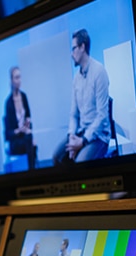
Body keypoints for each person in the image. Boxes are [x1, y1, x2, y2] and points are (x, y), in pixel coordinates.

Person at [52, 29, 111, 166]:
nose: (71, 54)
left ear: (82, 47)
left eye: (73, 49)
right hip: (80, 133)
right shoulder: (76, 79)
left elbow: (102, 116)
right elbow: (73, 115)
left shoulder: (99, 72)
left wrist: (82, 141)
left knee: (80, 164)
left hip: (98, 137)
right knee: (57, 156)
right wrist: (72, 137)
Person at [4, 66, 37, 170]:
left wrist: (28, 125)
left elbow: (28, 117)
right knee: (30, 141)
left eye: (20, 77)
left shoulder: (24, 96)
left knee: (29, 138)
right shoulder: (8, 103)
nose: (19, 80)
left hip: (26, 136)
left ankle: (32, 170)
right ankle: (32, 170)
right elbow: (8, 133)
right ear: (11, 80)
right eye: (16, 78)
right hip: (15, 141)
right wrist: (19, 130)